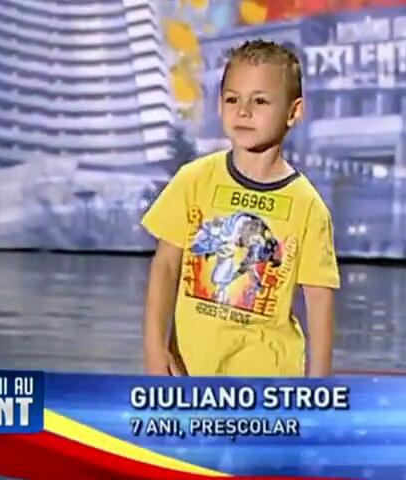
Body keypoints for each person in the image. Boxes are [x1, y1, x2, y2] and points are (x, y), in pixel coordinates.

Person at [140, 39, 340, 377]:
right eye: (233, 99)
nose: (243, 111)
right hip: (189, 376)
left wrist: (318, 389)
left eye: (259, 101)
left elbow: (319, 299)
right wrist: (154, 347)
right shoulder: (194, 180)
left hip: (268, 384)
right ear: (219, 105)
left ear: (294, 112)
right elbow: (165, 268)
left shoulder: (308, 206)